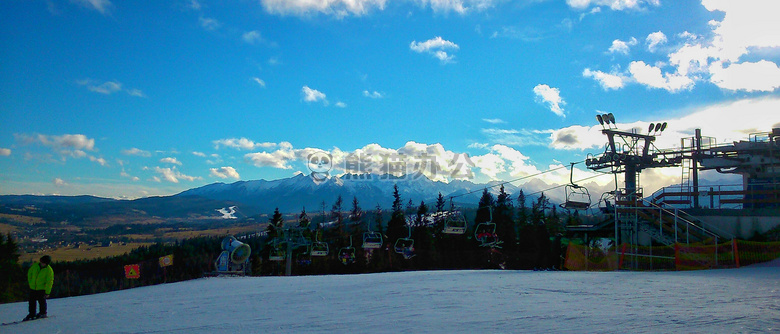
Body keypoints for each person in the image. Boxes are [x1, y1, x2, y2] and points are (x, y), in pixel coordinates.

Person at [24, 255, 54, 321]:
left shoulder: (49, 270)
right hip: (33, 287)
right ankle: (32, 314)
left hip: (41, 289)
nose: (42, 263)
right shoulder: (35, 266)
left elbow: (49, 282)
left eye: (43, 262)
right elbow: (30, 273)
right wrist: (31, 282)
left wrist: (47, 292)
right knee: (31, 301)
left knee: (42, 301)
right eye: (41, 261)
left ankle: (43, 313)